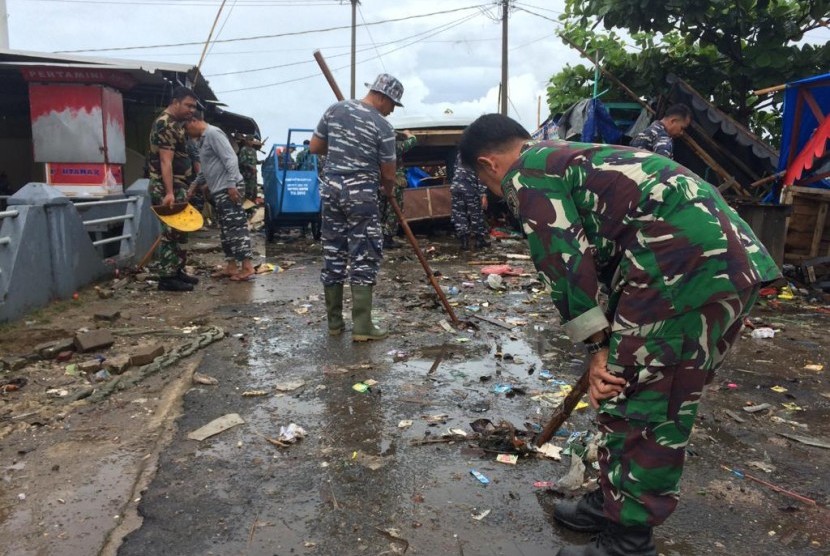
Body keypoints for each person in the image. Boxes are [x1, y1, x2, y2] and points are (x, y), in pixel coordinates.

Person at [458, 114, 781, 556]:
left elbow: (565, 264)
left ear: (488, 164)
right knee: (648, 391)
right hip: (722, 265)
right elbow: (607, 246)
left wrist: (598, 347)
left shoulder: (526, 174)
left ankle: (628, 542)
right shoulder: (570, 157)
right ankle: (613, 503)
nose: (497, 194)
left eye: (486, 183)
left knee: (641, 404)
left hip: (676, 271)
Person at [310, 73, 403, 342]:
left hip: (331, 190)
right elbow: (388, 172)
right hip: (361, 193)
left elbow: (316, 146)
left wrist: (341, 144)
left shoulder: (335, 110)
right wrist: (389, 191)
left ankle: (335, 324)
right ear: (383, 97)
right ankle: (362, 327)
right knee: (364, 253)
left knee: (334, 251)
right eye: (393, 104)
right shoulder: (383, 127)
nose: (392, 110)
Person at [184, 114, 255, 281]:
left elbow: (230, 158)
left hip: (229, 188)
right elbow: (205, 170)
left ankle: (247, 266)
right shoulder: (202, 141)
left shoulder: (213, 134)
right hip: (220, 190)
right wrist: (193, 186)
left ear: (194, 121)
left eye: (186, 128)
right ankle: (231, 266)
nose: (187, 133)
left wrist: (231, 184)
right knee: (225, 230)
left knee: (236, 227)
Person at [146, 86, 199, 292]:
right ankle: (166, 278)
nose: (191, 110)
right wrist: (168, 192)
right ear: (175, 102)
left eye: (194, 107)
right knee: (170, 232)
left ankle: (176, 270)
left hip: (178, 186)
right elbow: (165, 161)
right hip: (167, 186)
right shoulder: (165, 124)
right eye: (188, 105)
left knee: (179, 231)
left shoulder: (176, 124)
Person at [378, 130, 417, 249]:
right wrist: (408, 134)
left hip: (379, 181)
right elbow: (413, 141)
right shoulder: (395, 146)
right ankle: (388, 238)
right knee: (393, 210)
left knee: (380, 209)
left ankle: (379, 237)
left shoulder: (377, 146)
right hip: (394, 181)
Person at [450, 151, 489, 251]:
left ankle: (464, 242)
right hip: (469, 188)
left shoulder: (461, 153)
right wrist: (483, 194)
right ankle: (479, 240)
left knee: (459, 214)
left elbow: (455, 169)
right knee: (476, 214)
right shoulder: (478, 154)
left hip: (456, 187)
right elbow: (481, 176)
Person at [237, 135, 259, 202]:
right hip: (246, 176)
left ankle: (251, 208)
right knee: (247, 193)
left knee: (254, 193)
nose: (251, 142)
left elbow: (256, 161)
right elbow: (242, 162)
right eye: (250, 140)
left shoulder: (254, 151)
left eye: (252, 140)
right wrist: (251, 167)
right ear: (246, 141)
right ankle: (246, 209)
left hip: (253, 177)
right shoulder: (244, 150)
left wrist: (262, 161)